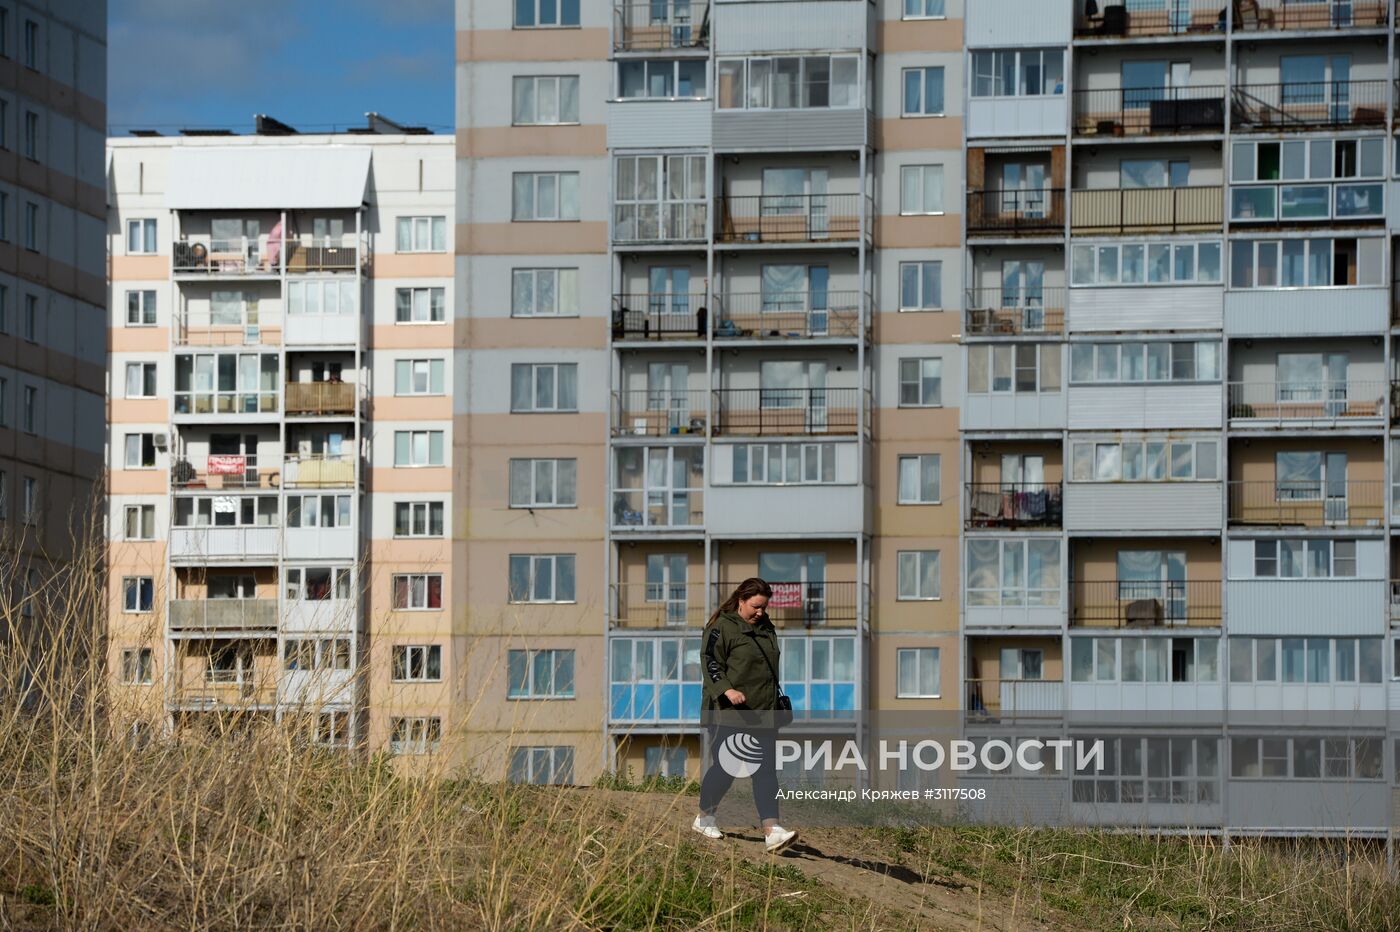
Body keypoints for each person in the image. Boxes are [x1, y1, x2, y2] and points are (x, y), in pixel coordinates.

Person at [691, 577, 798, 854]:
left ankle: (772, 830)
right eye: (755, 606)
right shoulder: (722, 626)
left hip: (763, 711)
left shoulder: (766, 628)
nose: (760, 612)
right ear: (741, 600)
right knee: (728, 765)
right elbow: (709, 660)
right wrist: (727, 689)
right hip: (729, 711)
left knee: (765, 771)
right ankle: (704, 818)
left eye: (764, 607)